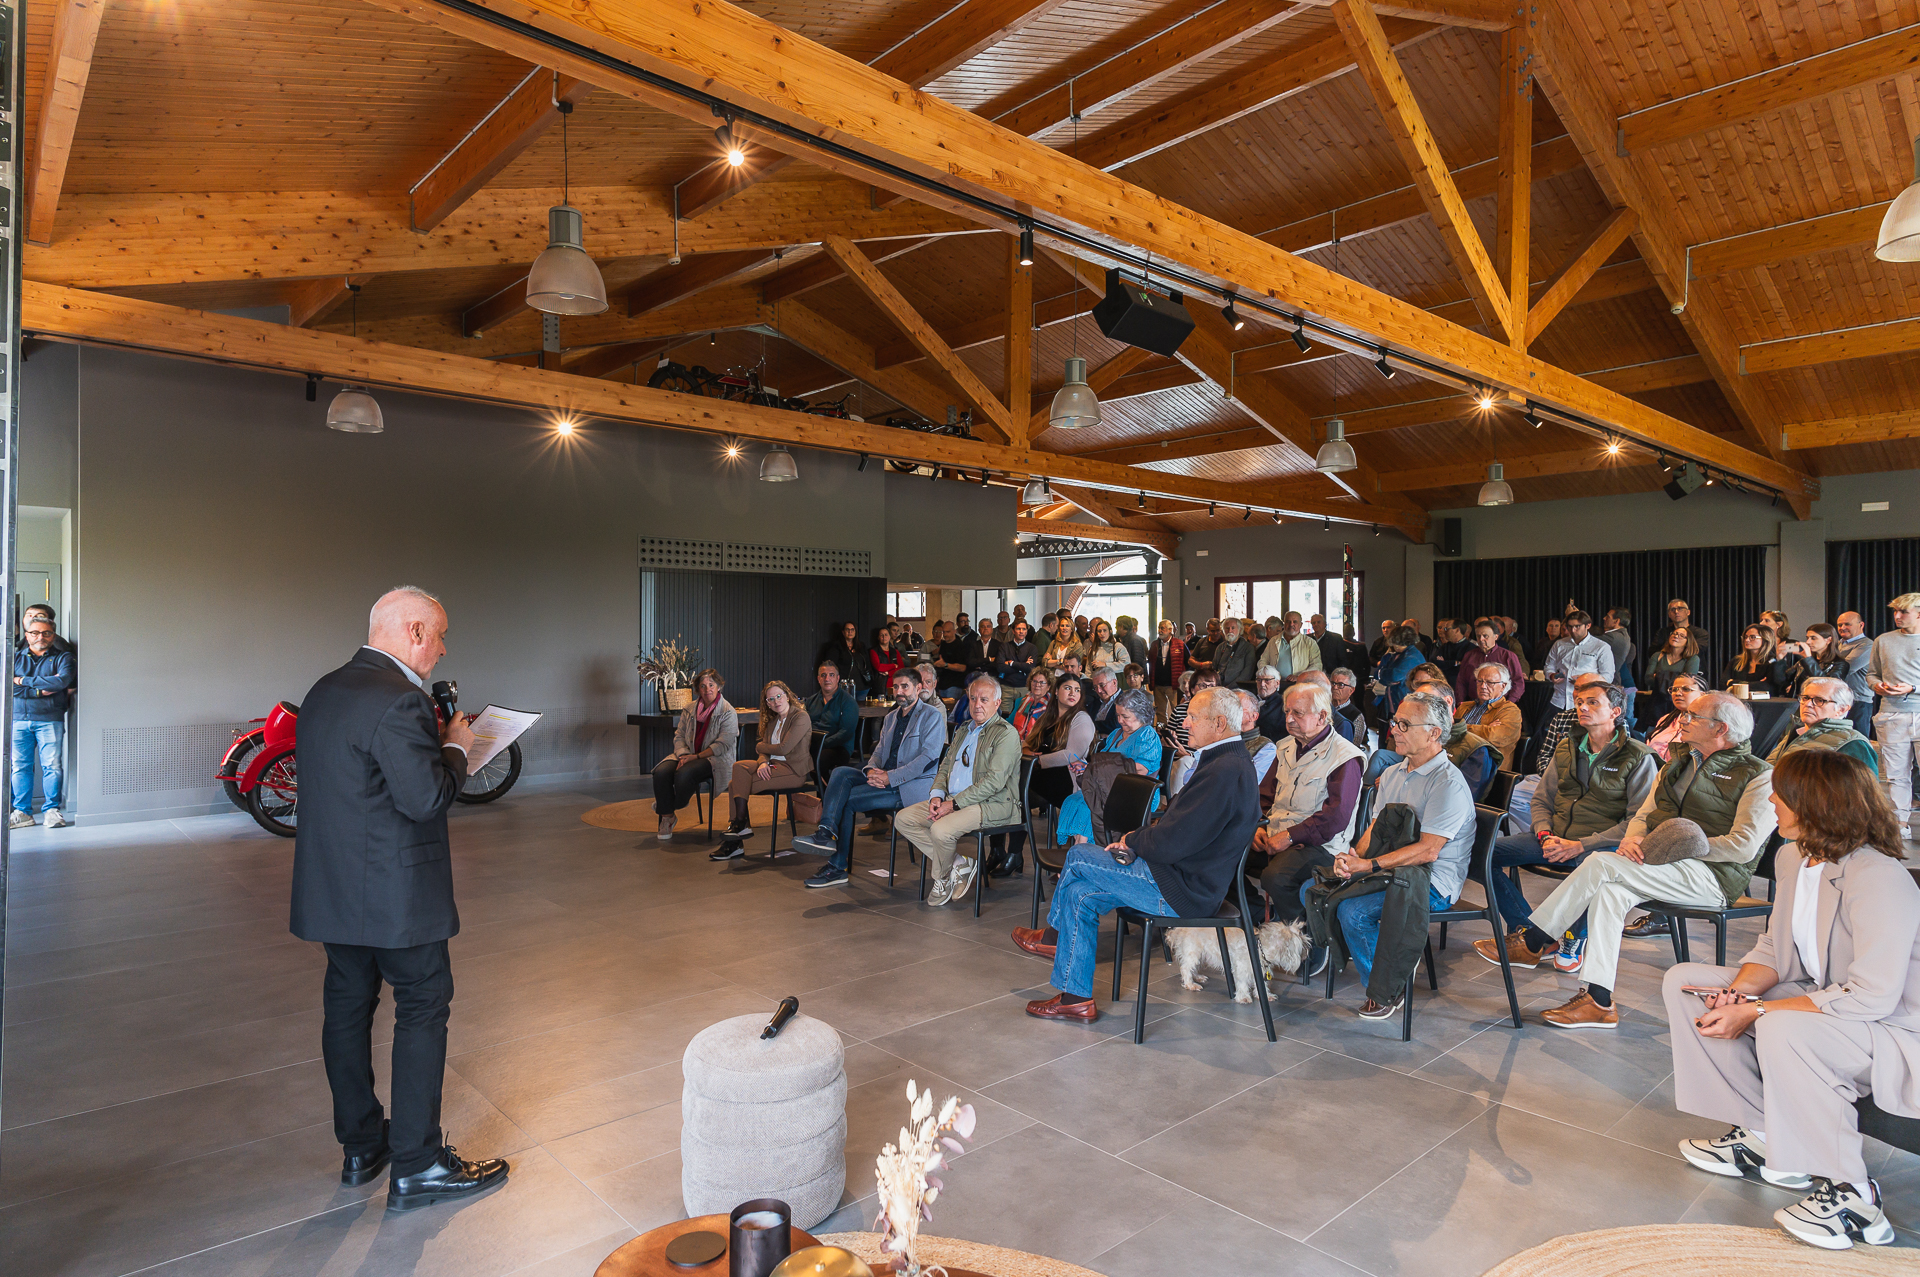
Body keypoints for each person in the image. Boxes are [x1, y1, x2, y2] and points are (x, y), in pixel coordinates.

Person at [290, 586, 508, 1211]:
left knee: (348, 1007)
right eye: (439, 636)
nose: (441, 650)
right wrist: (459, 748)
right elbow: (426, 799)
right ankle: (417, 1163)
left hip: (335, 889)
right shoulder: (401, 701)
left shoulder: (325, 690)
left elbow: (358, 785)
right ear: (413, 631)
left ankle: (361, 1145)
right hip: (397, 896)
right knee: (421, 1006)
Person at [1663, 750, 1915, 1251]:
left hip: (1894, 1027)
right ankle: (1762, 1137)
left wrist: (1756, 1012)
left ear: (1817, 803)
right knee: (1685, 982)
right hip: (1827, 1001)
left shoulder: (1879, 877)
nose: (1772, 799)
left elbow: (1873, 995)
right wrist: (1741, 992)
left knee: (1780, 1026)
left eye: (1782, 792)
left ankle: (1855, 1198)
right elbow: (1775, 949)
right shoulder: (1792, 857)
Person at [1516, 691, 1777, 1029]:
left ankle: (1534, 939)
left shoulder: (1759, 775)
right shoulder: (1677, 762)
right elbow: (1644, 814)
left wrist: (1676, 846)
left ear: (1720, 729)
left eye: (1693, 716)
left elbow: (1742, 846)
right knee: (1611, 892)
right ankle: (1598, 1000)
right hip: (1663, 864)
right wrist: (1634, 839)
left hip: (1714, 878)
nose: (1683, 719)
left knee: (1599, 863)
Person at [1012, 686, 1258, 1023]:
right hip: (1177, 876)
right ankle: (1075, 999)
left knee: (1080, 856)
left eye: (1192, 717)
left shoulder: (1225, 770)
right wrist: (1141, 842)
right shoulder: (1225, 762)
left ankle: (1054, 937)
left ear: (1218, 723)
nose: (1185, 723)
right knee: (1080, 893)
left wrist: (1133, 840)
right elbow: (1179, 831)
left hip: (1182, 890)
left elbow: (1176, 839)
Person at [1476, 681, 1656, 977]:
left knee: (1598, 869)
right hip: (1556, 837)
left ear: (1615, 711)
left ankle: (1573, 939)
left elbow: (1638, 822)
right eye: (1579, 701)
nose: (1582, 707)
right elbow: (1541, 799)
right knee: (1481, 852)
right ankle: (1530, 932)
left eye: (1592, 702)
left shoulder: (1638, 756)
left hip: (1600, 846)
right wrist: (1545, 834)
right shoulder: (1566, 746)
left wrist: (1581, 845)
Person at [1322, 691, 1477, 1020]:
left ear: (1434, 732)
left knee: (1353, 912)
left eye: (1405, 724)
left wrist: (1369, 865)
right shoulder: (1393, 773)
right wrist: (1352, 857)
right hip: (1391, 870)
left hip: (1433, 881)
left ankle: (1386, 988)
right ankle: (1391, 962)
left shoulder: (1447, 783)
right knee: (1321, 891)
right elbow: (1374, 831)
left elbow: (1428, 850)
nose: (1394, 731)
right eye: (1395, 723)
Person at [794, 669, 946, 887]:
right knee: (840, 773)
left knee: (845, 800)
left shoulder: (931, 716)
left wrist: (889, 777)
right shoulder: (892, 717)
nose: (899, 692)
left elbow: (928, 759)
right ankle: (825, 832)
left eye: (905, 687)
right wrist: (871, 771)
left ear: (919, 688)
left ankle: (838, 866)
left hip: (910, 787)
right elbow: (879, 751)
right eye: (896, 687)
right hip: (884, 778)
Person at [1254, 681, 1366, 975]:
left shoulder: (1345, 756)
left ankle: (1311, 943)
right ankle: (1261, 929)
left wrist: (1289, 837)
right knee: (1220, 855)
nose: (1289, 718)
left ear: (1322, 716)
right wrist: (1256, 826)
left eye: (1298, 713)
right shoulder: (1285, 746)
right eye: (1287, 711)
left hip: (1322, 845)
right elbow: (1263, 796)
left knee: (1276, 877)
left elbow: (1335, 818)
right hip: (1277, 834)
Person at [894, 674, 1022, 906]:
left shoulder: (1006, 733)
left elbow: (994, 782)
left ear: (997, 703)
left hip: (993, 804)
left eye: (984, 699)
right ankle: (958, 864)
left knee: (941, 830)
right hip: (954, 798)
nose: (977, 705)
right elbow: (945, 766)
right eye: (973, 699)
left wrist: (952, 805)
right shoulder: (964, 729)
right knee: (904, 819)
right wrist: (936, 795)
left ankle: (941, 878)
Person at [712, 681, 813, 860]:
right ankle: (740, 826)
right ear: (767, 703)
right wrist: (762, 762)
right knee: (738, 767)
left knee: (735, 786)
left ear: (787, 695)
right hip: (774, 766)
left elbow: (784, 749)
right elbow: (764, 752)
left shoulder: (800, 717)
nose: (776, 701)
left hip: (794, 770)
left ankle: (737, 835)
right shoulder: (773, 721)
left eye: (779, 696)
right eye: (771, 699)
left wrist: (761, 746)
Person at [1053, 689, 1162, 846]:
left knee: (1088, 806)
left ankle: (1082, 853)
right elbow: (1102, 764)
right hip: (1109, 789)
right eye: (1118, 715)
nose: (1120, 720)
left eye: (1125, 716)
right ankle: (1079, 852)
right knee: (1074, 800)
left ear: (1141, 714)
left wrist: (1102, 770)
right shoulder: (1116, 734)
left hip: (1137, 792)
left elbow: (1141, 769)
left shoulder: (1147, 734)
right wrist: (1086, 767)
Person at [651, 669, 737, 841]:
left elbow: (722, 745)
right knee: (660, 772)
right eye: (703, 686)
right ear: (698, 689)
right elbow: (679, 735)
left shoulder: (728, 711)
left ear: (719, 686)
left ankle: (666, 807)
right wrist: (684, 755)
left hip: (714, 759)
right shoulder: (689, 708)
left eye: (711, 685)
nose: (707, 690)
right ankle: (668, 817)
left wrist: (695, 758)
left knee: (684, 774)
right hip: (686, 754)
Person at [10, 615, 74, 830]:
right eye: (35, 632)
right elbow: (9, 686)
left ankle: (52, 811)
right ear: (27, 635)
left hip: (50, 720)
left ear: (53, 635)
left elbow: (62, 681)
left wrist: (23, 681)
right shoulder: (15, 657)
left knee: (52, 767)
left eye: (46, 633)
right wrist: (40, 690)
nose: (41, 637)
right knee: (20, 767)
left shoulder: (63, 657)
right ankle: (22, 812)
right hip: (18, 720)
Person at [1869, 594, 1920, 838]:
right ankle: (1900, 824)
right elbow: (1871, 674)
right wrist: (1876, 686)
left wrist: (1913, 688)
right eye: (1895, 612)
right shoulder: (1883, 640)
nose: (1898, 616)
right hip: (1891, 712)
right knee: (1896, 774)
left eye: (1904, 612)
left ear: (1918, 613)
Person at [1768, 677, 1877, 772]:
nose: (1808, 704)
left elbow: (1864, 791)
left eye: (1819, 700)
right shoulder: (1796, 732)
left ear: (1841, 709)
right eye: (1805, 698)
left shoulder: (1854, 744)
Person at [1456, 662, 1523, 773]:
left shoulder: (1510, 710)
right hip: (1456, 762)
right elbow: (1448, 732)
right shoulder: (1464, 706)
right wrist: (1484, 728)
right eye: (1480, 681)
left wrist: (1460, 729)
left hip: (1485, 771)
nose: (1483, 686)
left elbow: (1494, 736)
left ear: (1503, 686)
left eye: (1490, 683)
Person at [804, 660, 860, 777]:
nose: (827, 679)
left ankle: (826, 794)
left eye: (831, 675)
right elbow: (804, 726)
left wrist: (822, 743)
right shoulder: (810, 701)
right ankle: (797, 794)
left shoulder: (848, 701)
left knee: (821, 758)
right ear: (819, 679)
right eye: (823, 675)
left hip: (839, 748)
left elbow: (846, 733)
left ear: (838, 678)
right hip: (814, 745)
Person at [1453, 620, 1525, 705]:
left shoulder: (1508, 656)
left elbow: (1518, 683)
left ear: (1496, 637)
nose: (1481, 639)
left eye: (1485, 636)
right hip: (1473, 704)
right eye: (1478, 636)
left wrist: (1509, 703)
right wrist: (1460, 703)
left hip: (1500, 705)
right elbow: (1461, 682)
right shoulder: (1469, 656)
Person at [1777, 622, 1850, 702]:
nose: (1808, 642)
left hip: (1819, 705)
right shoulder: (1803, 662)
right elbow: (1781, 681)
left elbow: (1825, 685)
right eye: (1807, 638)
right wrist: (1779, 660)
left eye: (1813, 638)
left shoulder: (1840, 664)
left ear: (1829, 640)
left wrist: (1808, 658)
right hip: (1798, 703)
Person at [1648, 673, 1705, 761]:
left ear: (1702, 694)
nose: (1678, 693)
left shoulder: (1707, 724)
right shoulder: (1665, 720)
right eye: (1674, 689)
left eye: (1686, 689)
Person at [1835, 611, 1875, 737]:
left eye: (1847, 624)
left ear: (1861, 625)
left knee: (1857, 741)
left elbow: (1844, 669)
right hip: (1838, 700)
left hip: (1858, 702)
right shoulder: (1837, 645)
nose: (1842, 628)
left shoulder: (1867, 645)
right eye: (1839, 625)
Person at [1721, 624, 1788, 697]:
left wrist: (1733, 682)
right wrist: (1757, 684)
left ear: (1765, 639)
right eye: (1745, 637)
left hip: (1765, 705)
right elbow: (1723, 684)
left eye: (1752, 637)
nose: (1747, 640)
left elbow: (1769, 688)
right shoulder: (1736, 661)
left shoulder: (1773, 662)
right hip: (1738, 704)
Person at [1259, 611, 1323, 683]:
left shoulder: (1310, 643)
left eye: (1295, 622)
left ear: (1301, 625)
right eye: (1288, 621)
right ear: (1284, 624)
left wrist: (1299, 676)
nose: (1291, 624)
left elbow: (1317, 666)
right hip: (1275, 685)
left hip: (1300, 684)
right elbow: (1263, 661)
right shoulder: (1273, 641)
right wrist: (1268, 676)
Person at [1370, 624, 1424, 711]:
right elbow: (1382, 675)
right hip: (1397, 700)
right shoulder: (1401, 655)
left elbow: (1393, 676)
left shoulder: (1411, 657)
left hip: (1404, 702)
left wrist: (1383, 673)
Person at [1167, 669, 1219, 753]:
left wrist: (1188, 756)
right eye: (1203, 685)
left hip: (1205, 762)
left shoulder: (1219, 714)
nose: (1207, 689)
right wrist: (1171, 740)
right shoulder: (1179, 710)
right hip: (1177, 760)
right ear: (1192, 689)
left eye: (1212, 686)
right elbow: (1165, 740)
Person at [1149, 619, 1186, 722]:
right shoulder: (1154, 645)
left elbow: (1188, 662)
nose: (1160, 630)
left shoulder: (1180, 644)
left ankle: (1177, 731)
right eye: (1159, 628)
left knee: (1176, 709)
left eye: (1162, 628)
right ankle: (1162, 732)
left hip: (1173, 685)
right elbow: (1151, 664)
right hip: (1158, 684)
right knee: (1160, 711)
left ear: (1170, 630)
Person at [1648, 627, 1703, 697]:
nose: (1676, 636)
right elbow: (1648, 679)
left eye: (1682, 636)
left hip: (1680, 697)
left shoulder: (1693, 659)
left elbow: (1687, 682)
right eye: (1674, 633)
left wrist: (1659, 676)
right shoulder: (1657, 655)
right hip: (1657, 698)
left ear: (1687, 642)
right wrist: (1677, 676)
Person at [933, 619, 981, 693]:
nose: (945, 634)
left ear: (954, 631)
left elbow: (963, 667)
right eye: (944, 632)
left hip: (954, 685)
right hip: (942, 684)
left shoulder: (960, 646)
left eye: (948, 632)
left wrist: (945, 665)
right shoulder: (943, 644)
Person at [1210, 616, 1259, 689]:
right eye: (1227, 628)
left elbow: (1247, 674)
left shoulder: (1248, 648)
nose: (1230, 631)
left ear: (1240, 630)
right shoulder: (1220, 647)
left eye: (1233, 628)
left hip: (1238, 688)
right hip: (1219, 687)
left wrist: (1229, 687)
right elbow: (1214, 668)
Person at [816, 621, 866, 688]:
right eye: (847, 629)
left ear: (855, 632)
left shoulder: (861, 646)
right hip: (843, 686)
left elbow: (867, 664)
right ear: (843, 632)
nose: (850, 632)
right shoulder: (836, 646)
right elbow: (830, 665)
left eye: (852, 630)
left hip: (862, 687)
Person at [994, 619, 1038, 687]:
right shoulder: (1004, 646)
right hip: (1006, 686)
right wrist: (1022, 668)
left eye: (1024, 629)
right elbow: (1000, 667)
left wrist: (1011, 663)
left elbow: (1030, 668)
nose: (1021, 631)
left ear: (1027, 631)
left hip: (1024, 687)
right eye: (1018, 629)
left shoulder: (1032, 648)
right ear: (1013, 631)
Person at [1328, 667, 1367, 746]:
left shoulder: (1356, 717)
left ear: (1351, 690)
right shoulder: (1322, 707)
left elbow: (1353, 747)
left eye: (1341, 685)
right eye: (1333, 683)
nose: (1335, 687)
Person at [1602, 608, 1637, 690]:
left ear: (1616, 621)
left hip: (1609, 685)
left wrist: (1577, 620)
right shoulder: (1621, 635)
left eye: (1608, 617)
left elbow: (1587, 640)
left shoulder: (1614, 637)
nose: (1604, 618)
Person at [1012, 669, 1051, 737]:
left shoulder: (1051, 705)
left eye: (1041, 682)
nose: (1037, 685)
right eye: (1034, 681)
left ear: (1048, 687)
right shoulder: (1020, 701)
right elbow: (1010, 722)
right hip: (1017, 741)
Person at [1254, 665, 1288, 742]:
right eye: (1259, 680)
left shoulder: (1284, 704)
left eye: (1267, 680)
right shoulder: (1250, 700)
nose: (1262, 684)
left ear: (1277, 683)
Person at [867, 625, 905, 693]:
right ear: (878, 637)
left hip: (895, 686)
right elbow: (878, 667)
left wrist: (889, 672)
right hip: (880, 686)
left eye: (886, 635)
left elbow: (901, 668)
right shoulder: (873, 651)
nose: (884, 637)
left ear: (889, 637)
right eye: (881, 635)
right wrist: (893, 666)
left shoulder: (895, 651)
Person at [1088, 667, 1122, 736]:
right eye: (1095, 687)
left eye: (1102, 685)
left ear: (1114, 682)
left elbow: (1116, 726)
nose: (1098, 690)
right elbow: (1085, 721)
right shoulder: (1095, 702)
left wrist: (1091, 726)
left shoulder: (1126, 700)